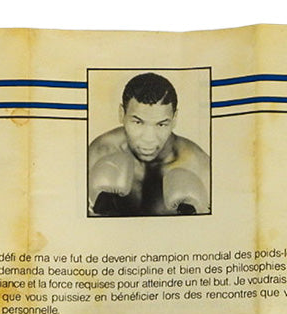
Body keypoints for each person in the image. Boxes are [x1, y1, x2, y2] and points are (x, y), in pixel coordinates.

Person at [88, 72, 210, 217]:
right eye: (138, 122)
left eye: (161, 124)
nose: (149, 139)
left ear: (174, 119)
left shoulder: (198, 166)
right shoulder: (99, 153)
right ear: (121, 114)